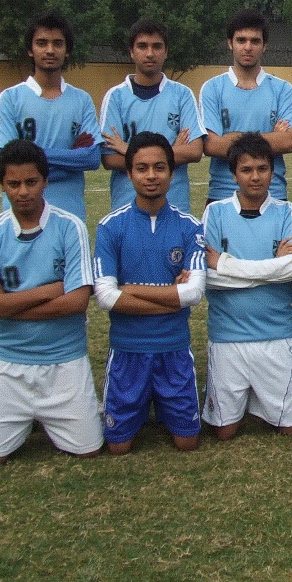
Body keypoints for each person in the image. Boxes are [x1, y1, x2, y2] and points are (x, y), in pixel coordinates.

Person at [0, 139, 103, 463]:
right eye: (14, 184)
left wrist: (6, 304)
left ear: (45, 181)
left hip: (65, 360)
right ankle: (27, 416)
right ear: (2, 185)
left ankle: (56, 414)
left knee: (90, 450)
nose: (23, 191)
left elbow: (77, 302)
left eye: (31, 182)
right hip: (8, 362)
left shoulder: (70, 228)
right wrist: (47, 290)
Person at [93, 132, 206, 454]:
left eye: (159, 167)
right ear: (129, 174)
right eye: (142, 168)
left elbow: (194, 294)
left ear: (172, 172)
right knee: (118, 447)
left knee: (187, 442)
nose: (151, 176)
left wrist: (129, 290)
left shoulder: (190, 226)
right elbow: (105, 297)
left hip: (174, 349)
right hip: (127, 350)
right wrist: (171, 297)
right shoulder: (110, 227)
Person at [200, 133, 292, 438]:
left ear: (273, 172)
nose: (255, 177)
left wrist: (225, 264)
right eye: (246, 170)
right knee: (224, 432)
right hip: (227, 336)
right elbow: (206, 277)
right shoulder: (215, 212)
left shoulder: (286, 211)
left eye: (262, 168)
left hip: (275, 334)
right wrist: (271, 267)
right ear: (233, 174)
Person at [0, 11, 102, 221]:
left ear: (67, 51)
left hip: (70, 212)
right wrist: (69, 160)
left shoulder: (82, 100)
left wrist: (29, 158)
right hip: (21, 213)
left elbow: (92, 158)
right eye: (41, 43)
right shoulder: (10, 98)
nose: (50, 50)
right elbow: (3, 156)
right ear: (30, 50)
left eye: (57, 43)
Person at [99, 18, 205, 214]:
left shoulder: (182, 95)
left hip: (175, 206)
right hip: (127, 208)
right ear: (131, 52)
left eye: (157, 46)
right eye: (142, 46)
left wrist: (128, 150)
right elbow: (110, 159)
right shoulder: (115, 97)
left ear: (166, 51)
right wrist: (172, 153)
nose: (149, 53)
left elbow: (194, 151)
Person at [200, 9, 292, 205]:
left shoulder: (282, 89)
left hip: (273, 193)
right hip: (223, 194)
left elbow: (288, 141)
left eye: (255, 41)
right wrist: (270, 138)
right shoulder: (212, 88)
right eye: (241, 40)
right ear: (230, 43)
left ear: (264, 45)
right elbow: (211, 145)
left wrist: (230, 137)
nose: (248, 47)